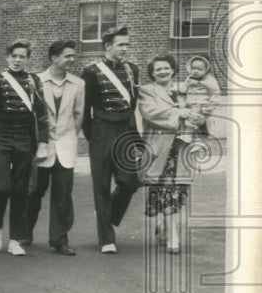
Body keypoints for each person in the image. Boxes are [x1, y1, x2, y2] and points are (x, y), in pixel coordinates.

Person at [0, 40, 50, 256]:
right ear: (8, 57)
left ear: (28, 59)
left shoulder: (34, 80)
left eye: (22, 56)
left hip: (25, 139)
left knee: (21, 189)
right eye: (14, 56)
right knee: (2, 186)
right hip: (3, 138)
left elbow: (42, 114)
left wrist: (43, 144)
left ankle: (15, 239)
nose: (18, 60)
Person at [81, 25, 142, 253]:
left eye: (127, 44)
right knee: (102, 186)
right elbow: (86, 108)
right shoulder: (91, 71)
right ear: (108, 46)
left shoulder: (132, 70)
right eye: (121, 44)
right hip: (101, 130)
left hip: (125, 129)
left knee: (129, 181)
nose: (125, 48)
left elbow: (132, 105)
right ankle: (106, 239)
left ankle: (108, 213)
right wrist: (93, 136)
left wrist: (133, 136)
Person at [26, 40, 85, 256]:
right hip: (42, 147)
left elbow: (78, 116)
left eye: (73, 55)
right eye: (68, 56)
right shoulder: (36, 81)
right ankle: (25, 233)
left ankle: (59, 240)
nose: (72, 59)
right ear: (54, 58)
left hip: (66, 147)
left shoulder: (78, 84)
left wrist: (67, 137)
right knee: (35, 192)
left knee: (63, 195)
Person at [138, 55, 197, 254]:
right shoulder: (147, 91)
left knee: (176, 190)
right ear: (152, 73)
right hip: (159, 146)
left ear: (173, 70)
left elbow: (198, 112)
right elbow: (151, 113)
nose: (162, 72)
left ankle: (168, 229)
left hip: (182, 146)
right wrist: (178, 113)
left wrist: (193, 120)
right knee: (162, 190)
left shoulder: (184, 89)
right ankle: (170, 232)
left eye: (166, 68)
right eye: (157, 70)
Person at [177, 55, 220, 143]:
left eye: (200, 69)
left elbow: (215, 94)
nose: (196, 71)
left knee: (193, 119)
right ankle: (193, 139)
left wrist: (208, 108)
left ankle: (187, 136)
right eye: (193, 68)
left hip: (201, 105)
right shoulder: (189, 79)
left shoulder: (210, 80)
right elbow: (182, 90)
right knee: (184, 118)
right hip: (189, 104)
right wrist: (186, 86)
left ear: (206, 70)